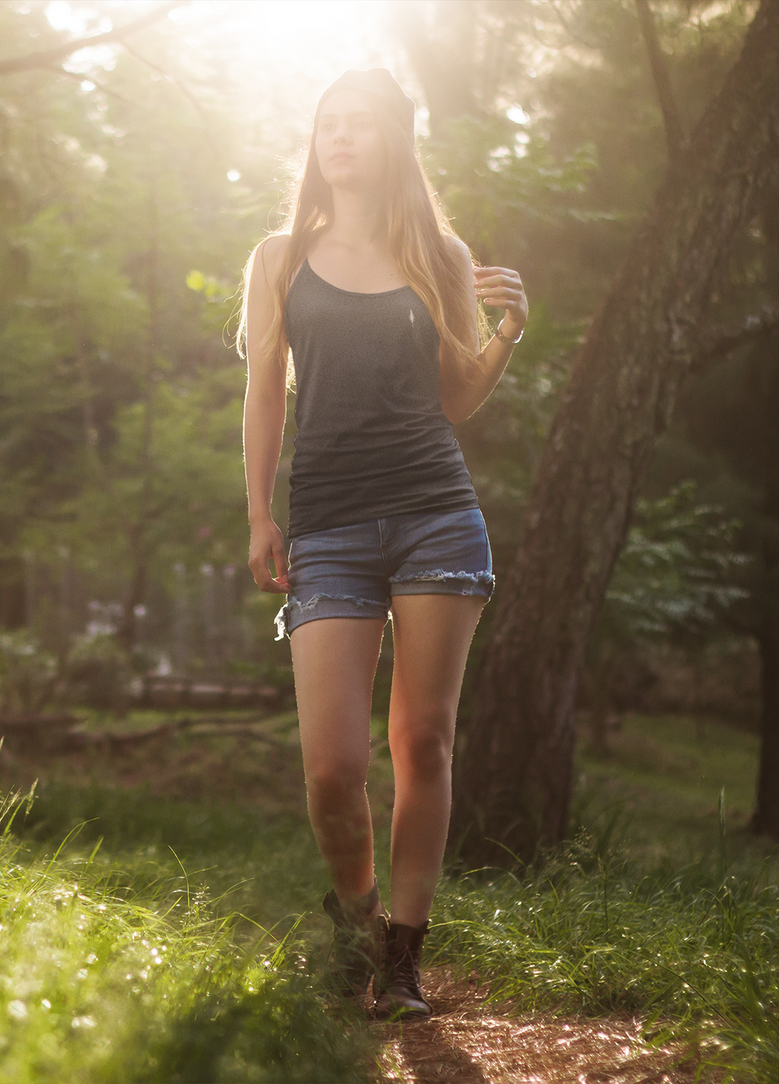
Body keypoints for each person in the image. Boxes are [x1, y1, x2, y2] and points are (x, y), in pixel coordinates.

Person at [237, 68, 528, 1022]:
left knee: (423, 740)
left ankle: (404, 953)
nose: (341, 137)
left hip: (436, 513)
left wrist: (507, 335)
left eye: (361, 124)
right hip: (326, 525)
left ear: (394, 142)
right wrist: (257, 511)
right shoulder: (278, 257)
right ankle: (358, 914)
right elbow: (264, 392)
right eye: (328, 123)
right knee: (330, 769)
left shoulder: (439, 254)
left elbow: (453, 403)